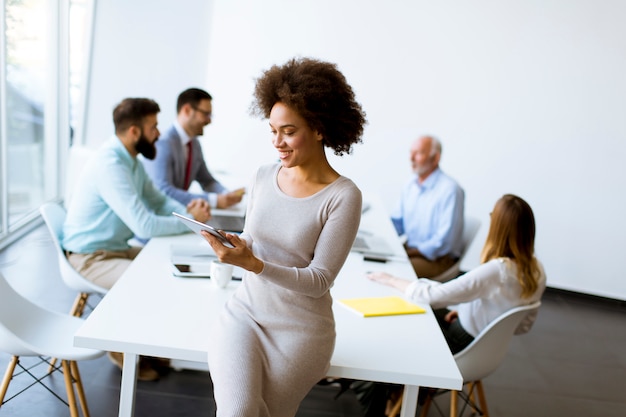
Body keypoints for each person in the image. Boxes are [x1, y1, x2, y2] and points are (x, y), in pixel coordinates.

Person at [200, 57, 366, 417]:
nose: (277, 142)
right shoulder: (262, 175)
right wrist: (240, 246)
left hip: (300, 334)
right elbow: (254, 237)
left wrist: (255, 264)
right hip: (245, 314)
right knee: (238, 411)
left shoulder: (342, 196)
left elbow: (319, 281)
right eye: (272, 131)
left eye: (288, 131)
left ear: (320, 128)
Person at [353, 194, 547, 416]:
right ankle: (404, 390)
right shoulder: (537, 270)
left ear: (499, 227)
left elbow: (434, 295)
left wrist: (392, 280)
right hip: (485, 348)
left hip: (461, 345)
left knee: (400, 330)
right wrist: (471, 316)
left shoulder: (497, 270)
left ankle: (386, 388)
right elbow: (521, 325)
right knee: (419, 313)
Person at [62, 97, 211, 380]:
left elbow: (158, 200)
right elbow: (144, 223)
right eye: (153, 127)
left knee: (167, 269)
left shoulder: (129, 160)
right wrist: (190, 222)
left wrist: (189, 214)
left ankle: (148, 342)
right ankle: (123, 351)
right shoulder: (111, 165)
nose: (158, 133)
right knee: (143, 282)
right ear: (134, 131)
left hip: (114, 248)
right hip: (90, 256)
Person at [142, 87, 245, 209]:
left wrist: (225, 194)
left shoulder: (194, 144)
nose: (209, 120)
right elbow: (164, 191)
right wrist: (213, 201)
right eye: (206, 114)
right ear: (186, 110)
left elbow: (207, 180)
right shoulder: (163, 143)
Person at [391, 135, 465, 279]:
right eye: (411, 152)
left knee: (395, 272)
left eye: (418, 153)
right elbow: (397, 223)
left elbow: (442, 243)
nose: (411, 158)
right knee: (374, 262)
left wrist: (410, 252)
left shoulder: (450, 190)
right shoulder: (410, 185)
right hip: (411, 250)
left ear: (435, 158)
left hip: (436, 259)